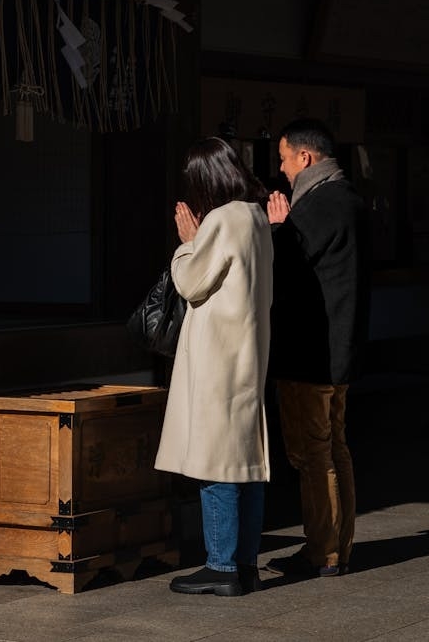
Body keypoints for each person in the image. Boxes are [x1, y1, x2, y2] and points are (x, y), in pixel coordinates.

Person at [155, 137, 274, 597]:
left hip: (217, 359)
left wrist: (187, 243)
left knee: (215, 463)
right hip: (247, 353)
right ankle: (246, 564)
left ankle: (220, 566)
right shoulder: (256, 216)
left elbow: (189, 282)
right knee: (245, 462)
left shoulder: (224, 221)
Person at [264, 118, 369, 579]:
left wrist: (278, 228)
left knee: (312, 453)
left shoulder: (318, 204)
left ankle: (321, 551)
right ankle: (337, 548)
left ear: (305, 158)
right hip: (339, 351)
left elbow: (286, 271)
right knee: (335, 448)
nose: (283, 170)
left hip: (311, 352)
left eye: (285, 159)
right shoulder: (351, 199)